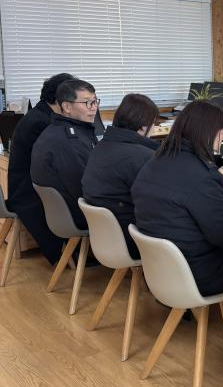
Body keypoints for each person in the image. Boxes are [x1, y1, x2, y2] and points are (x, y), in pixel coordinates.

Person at [131, 101, 223, 296]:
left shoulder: (155, 161)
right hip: (199, 274)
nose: (221, 141)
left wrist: (215, 198)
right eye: (221, 134)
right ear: (208, 133)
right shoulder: (202, 175)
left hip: (162, 270)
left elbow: (182, 200)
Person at [82, 94, 160, 260]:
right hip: (132, 239)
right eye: (154, 124)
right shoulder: (142, 156)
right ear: (143, 127)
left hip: (106, 236)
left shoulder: (101, 146)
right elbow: (159, 202)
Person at [7, 73, 72, 264]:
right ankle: (79, 251)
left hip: (28, 185)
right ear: (62, 100)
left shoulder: (41, 114)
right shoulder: (42, 122)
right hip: (29, 193)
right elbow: (55, 164)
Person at [30, 78, 99, 233]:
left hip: (65, 214)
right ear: (67, 106)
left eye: (95, 102)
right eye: (87, 103)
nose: (94, 108)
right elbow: (84, 188)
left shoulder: (56, 130)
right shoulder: (69, 141)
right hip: (79, 215)